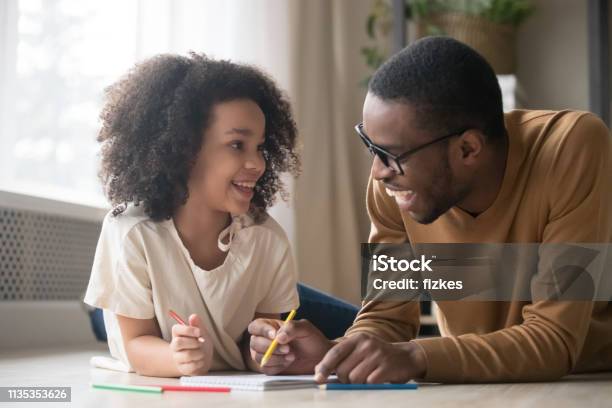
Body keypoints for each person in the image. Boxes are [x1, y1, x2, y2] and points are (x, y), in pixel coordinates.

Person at [248, 36, 612, 383]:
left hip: (585, 385)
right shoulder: (394, 187)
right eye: (370, 147)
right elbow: (386, 320)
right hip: (471, 388)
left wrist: (417, 356)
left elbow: (555, 340)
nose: (377, 172)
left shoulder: (570, 149)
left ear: (468, 149)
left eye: (391, 155)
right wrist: (334, 353)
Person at [84, 52, 303, 377]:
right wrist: (177, 359)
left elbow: (251, 347)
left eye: (259, 147)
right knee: (116, 321)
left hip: (236, 302)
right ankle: (101, 313)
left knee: (354, 326)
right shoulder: (132, 233)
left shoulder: (268, 239)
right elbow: (136, 344)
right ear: (183, 149)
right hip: (142, 298)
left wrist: (263, 352)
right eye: (237, 145)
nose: (258, 164)